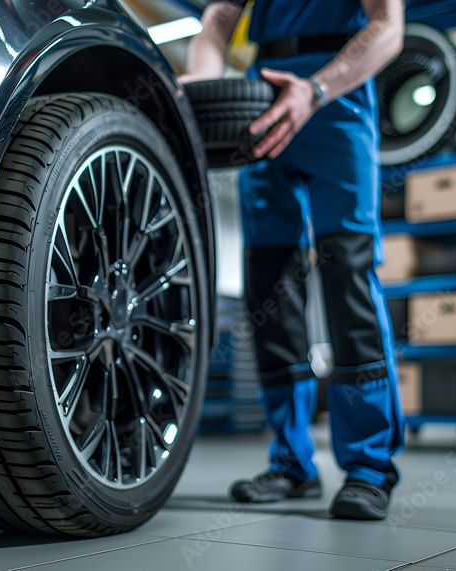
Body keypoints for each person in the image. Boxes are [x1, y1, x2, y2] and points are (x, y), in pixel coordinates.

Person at [183, 0, 406, 520]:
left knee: (347, 277)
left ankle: (368, 469)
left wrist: (319, 89)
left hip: (338, 98)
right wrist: (200, 82)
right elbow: (218, 18)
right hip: (264, 100)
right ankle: (291, 461)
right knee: (271, 288)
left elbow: (387, 26)